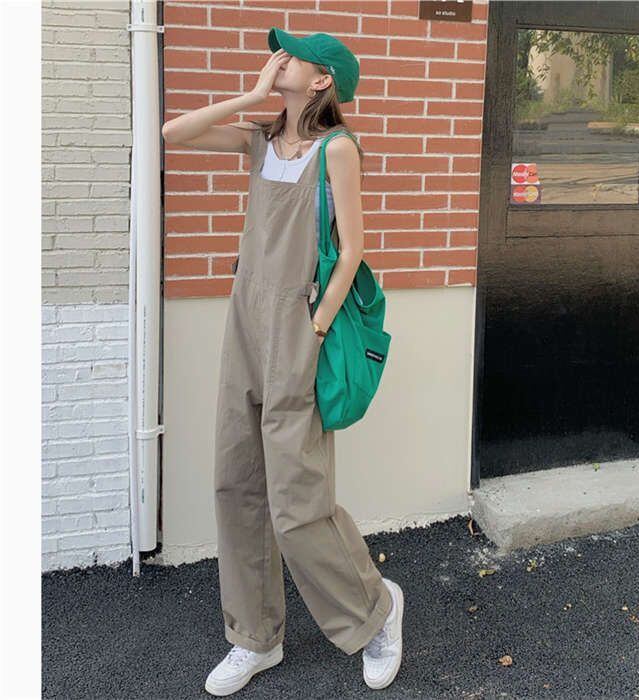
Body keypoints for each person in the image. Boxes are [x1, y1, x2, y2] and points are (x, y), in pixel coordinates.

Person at [161, 27, 404, 696]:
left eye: (293, 56)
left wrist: (316, 328)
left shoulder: (337, 149)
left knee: (297, 502)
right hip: (245, 323)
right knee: (237, 484)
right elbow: (174, 133)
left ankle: (376, 610)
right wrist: (253, 95)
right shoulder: (260, 141)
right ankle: (255, 637)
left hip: (299, 326)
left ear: (322, 79)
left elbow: (351, 250)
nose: (280, 59)